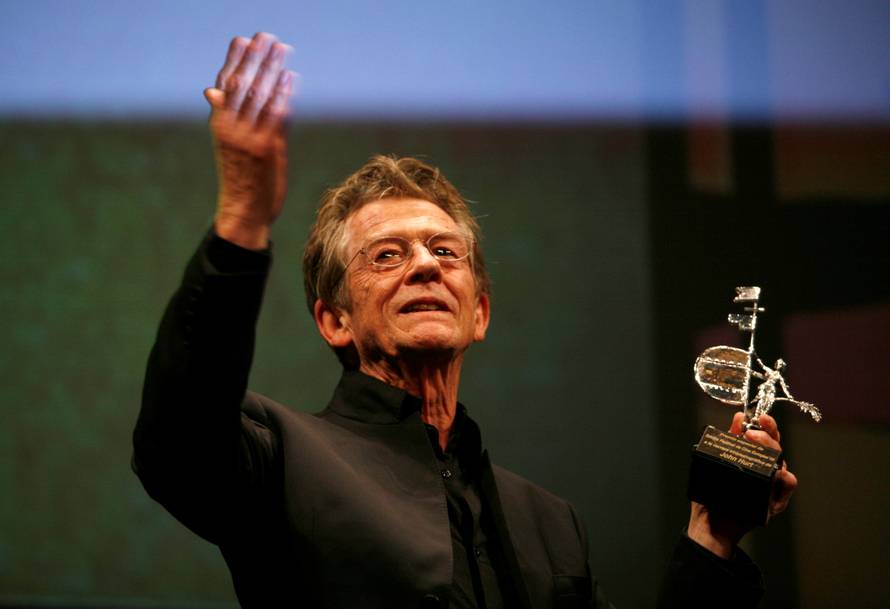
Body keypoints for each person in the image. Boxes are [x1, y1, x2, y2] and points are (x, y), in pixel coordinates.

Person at [132, 32, 797, 608]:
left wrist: (711, 538)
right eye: (386, 255)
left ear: (479, 311)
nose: (425, 265)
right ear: (334, 320)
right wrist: (243, 216)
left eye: (445, 251)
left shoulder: (549, 522)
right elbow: (177, 439)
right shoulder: (278, 457)